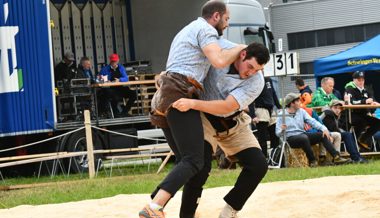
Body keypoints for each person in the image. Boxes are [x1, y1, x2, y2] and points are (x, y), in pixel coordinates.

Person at [140, 1, 246, 217]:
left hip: (165, 94)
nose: (227, 24)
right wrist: (241, 48)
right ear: (216, 16)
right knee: (194, 159)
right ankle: (154, 207)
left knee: (186, 161)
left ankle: (164, 206)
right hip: (179, 92)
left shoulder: (187, 29)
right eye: (226, 19)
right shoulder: (206, 30)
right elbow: (217, 60)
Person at [172, 41, 270, 218]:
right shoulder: (220, 53)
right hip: (203, 118)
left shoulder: (257, 81)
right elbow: (195, 47)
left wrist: (192, 103)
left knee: (259, 165)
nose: (251, 73)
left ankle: (230, 211)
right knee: (199, 168)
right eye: (250, 67)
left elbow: (226, 107)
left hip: (232, 122)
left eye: (257, 70)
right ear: (242, 54)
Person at [275, 93, 349, 167]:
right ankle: (312, 161)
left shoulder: (301, 111)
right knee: (304, 138)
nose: (300, 103)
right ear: (292, 103)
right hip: (290, 138)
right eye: (298, 101)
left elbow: (312, 121)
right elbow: (277, 133)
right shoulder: (282, 115)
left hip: (302, 135)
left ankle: (336, 156)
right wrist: (281, 130)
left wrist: (324, 128)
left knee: (321, 135)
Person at [344, 71, 380, 149]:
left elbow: (373, 100)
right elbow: (351, 102)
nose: (361, 82)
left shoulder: (367, 89)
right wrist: (364, 101)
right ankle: (354, 143)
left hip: (364, 114)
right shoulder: (349, 89)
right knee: (362, 122)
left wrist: (374, 103)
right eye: (358, 80)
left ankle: (363, 139)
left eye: (362, 80)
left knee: (378, 123)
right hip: (352, 115)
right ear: (354, 80)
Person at [248, 76, 281, 157]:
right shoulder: (253, 81)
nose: (262, 70)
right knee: (262, 137)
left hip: (271, 109)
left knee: (275, 136)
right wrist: (253, 115)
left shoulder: (268, 79)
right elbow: (250, 99)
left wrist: (279, 106)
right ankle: (264, 159)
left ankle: (275, 159)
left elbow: (273, 93)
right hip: (261, 109)